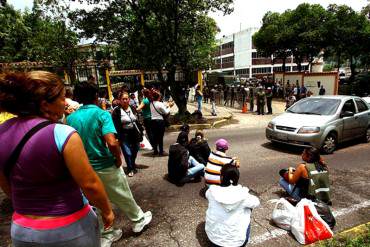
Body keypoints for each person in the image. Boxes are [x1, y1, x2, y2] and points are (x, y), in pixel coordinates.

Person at [0, 71, 113, 247]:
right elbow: (90, 183)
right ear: (45, 104)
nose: (65, 102)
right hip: (69, 229)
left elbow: (7, 186)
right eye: (62, 98)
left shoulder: (2, 132)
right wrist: (106, 210)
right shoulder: (62, 133)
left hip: (22, 230)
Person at [67, 82, 152, 246]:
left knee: (97, 201)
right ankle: (138, 220)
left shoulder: (70, 118)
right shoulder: (102, 114)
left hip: (85, 169)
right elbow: (112, 143)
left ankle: (107, 233)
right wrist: (118, 159)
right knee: (122, 193)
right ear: (96, 96)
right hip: (105, 164)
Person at [205, 164, 260, 247]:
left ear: (222, 177)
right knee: (248, 209)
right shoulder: (243, 195)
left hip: (213, 240)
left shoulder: (211, 191)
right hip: (236, 244)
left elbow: (207, 195)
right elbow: (257, 202)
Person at [112, 92, 142, 177]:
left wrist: (141, 129)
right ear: (120, 100)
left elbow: (137, 120)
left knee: (136, 148)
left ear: (129, 99)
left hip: (134, 132)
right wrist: (116, 137)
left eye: (126, 99)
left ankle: (132, 163)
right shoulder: (116, 111)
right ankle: (130, 168)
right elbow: (115, 124)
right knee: (127, 152)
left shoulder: (132, 108)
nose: (125, 100)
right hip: (123, 134)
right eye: (123, 99)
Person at [150, 89, 173, 156]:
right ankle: (161, 151)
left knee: (155, 137)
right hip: (159, 122)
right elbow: (166, 112)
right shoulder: (160, 104)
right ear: (158, 97)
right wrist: (169, 107)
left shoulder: (151, 104)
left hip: (153, 121)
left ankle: (155, 150)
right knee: (160, 137)